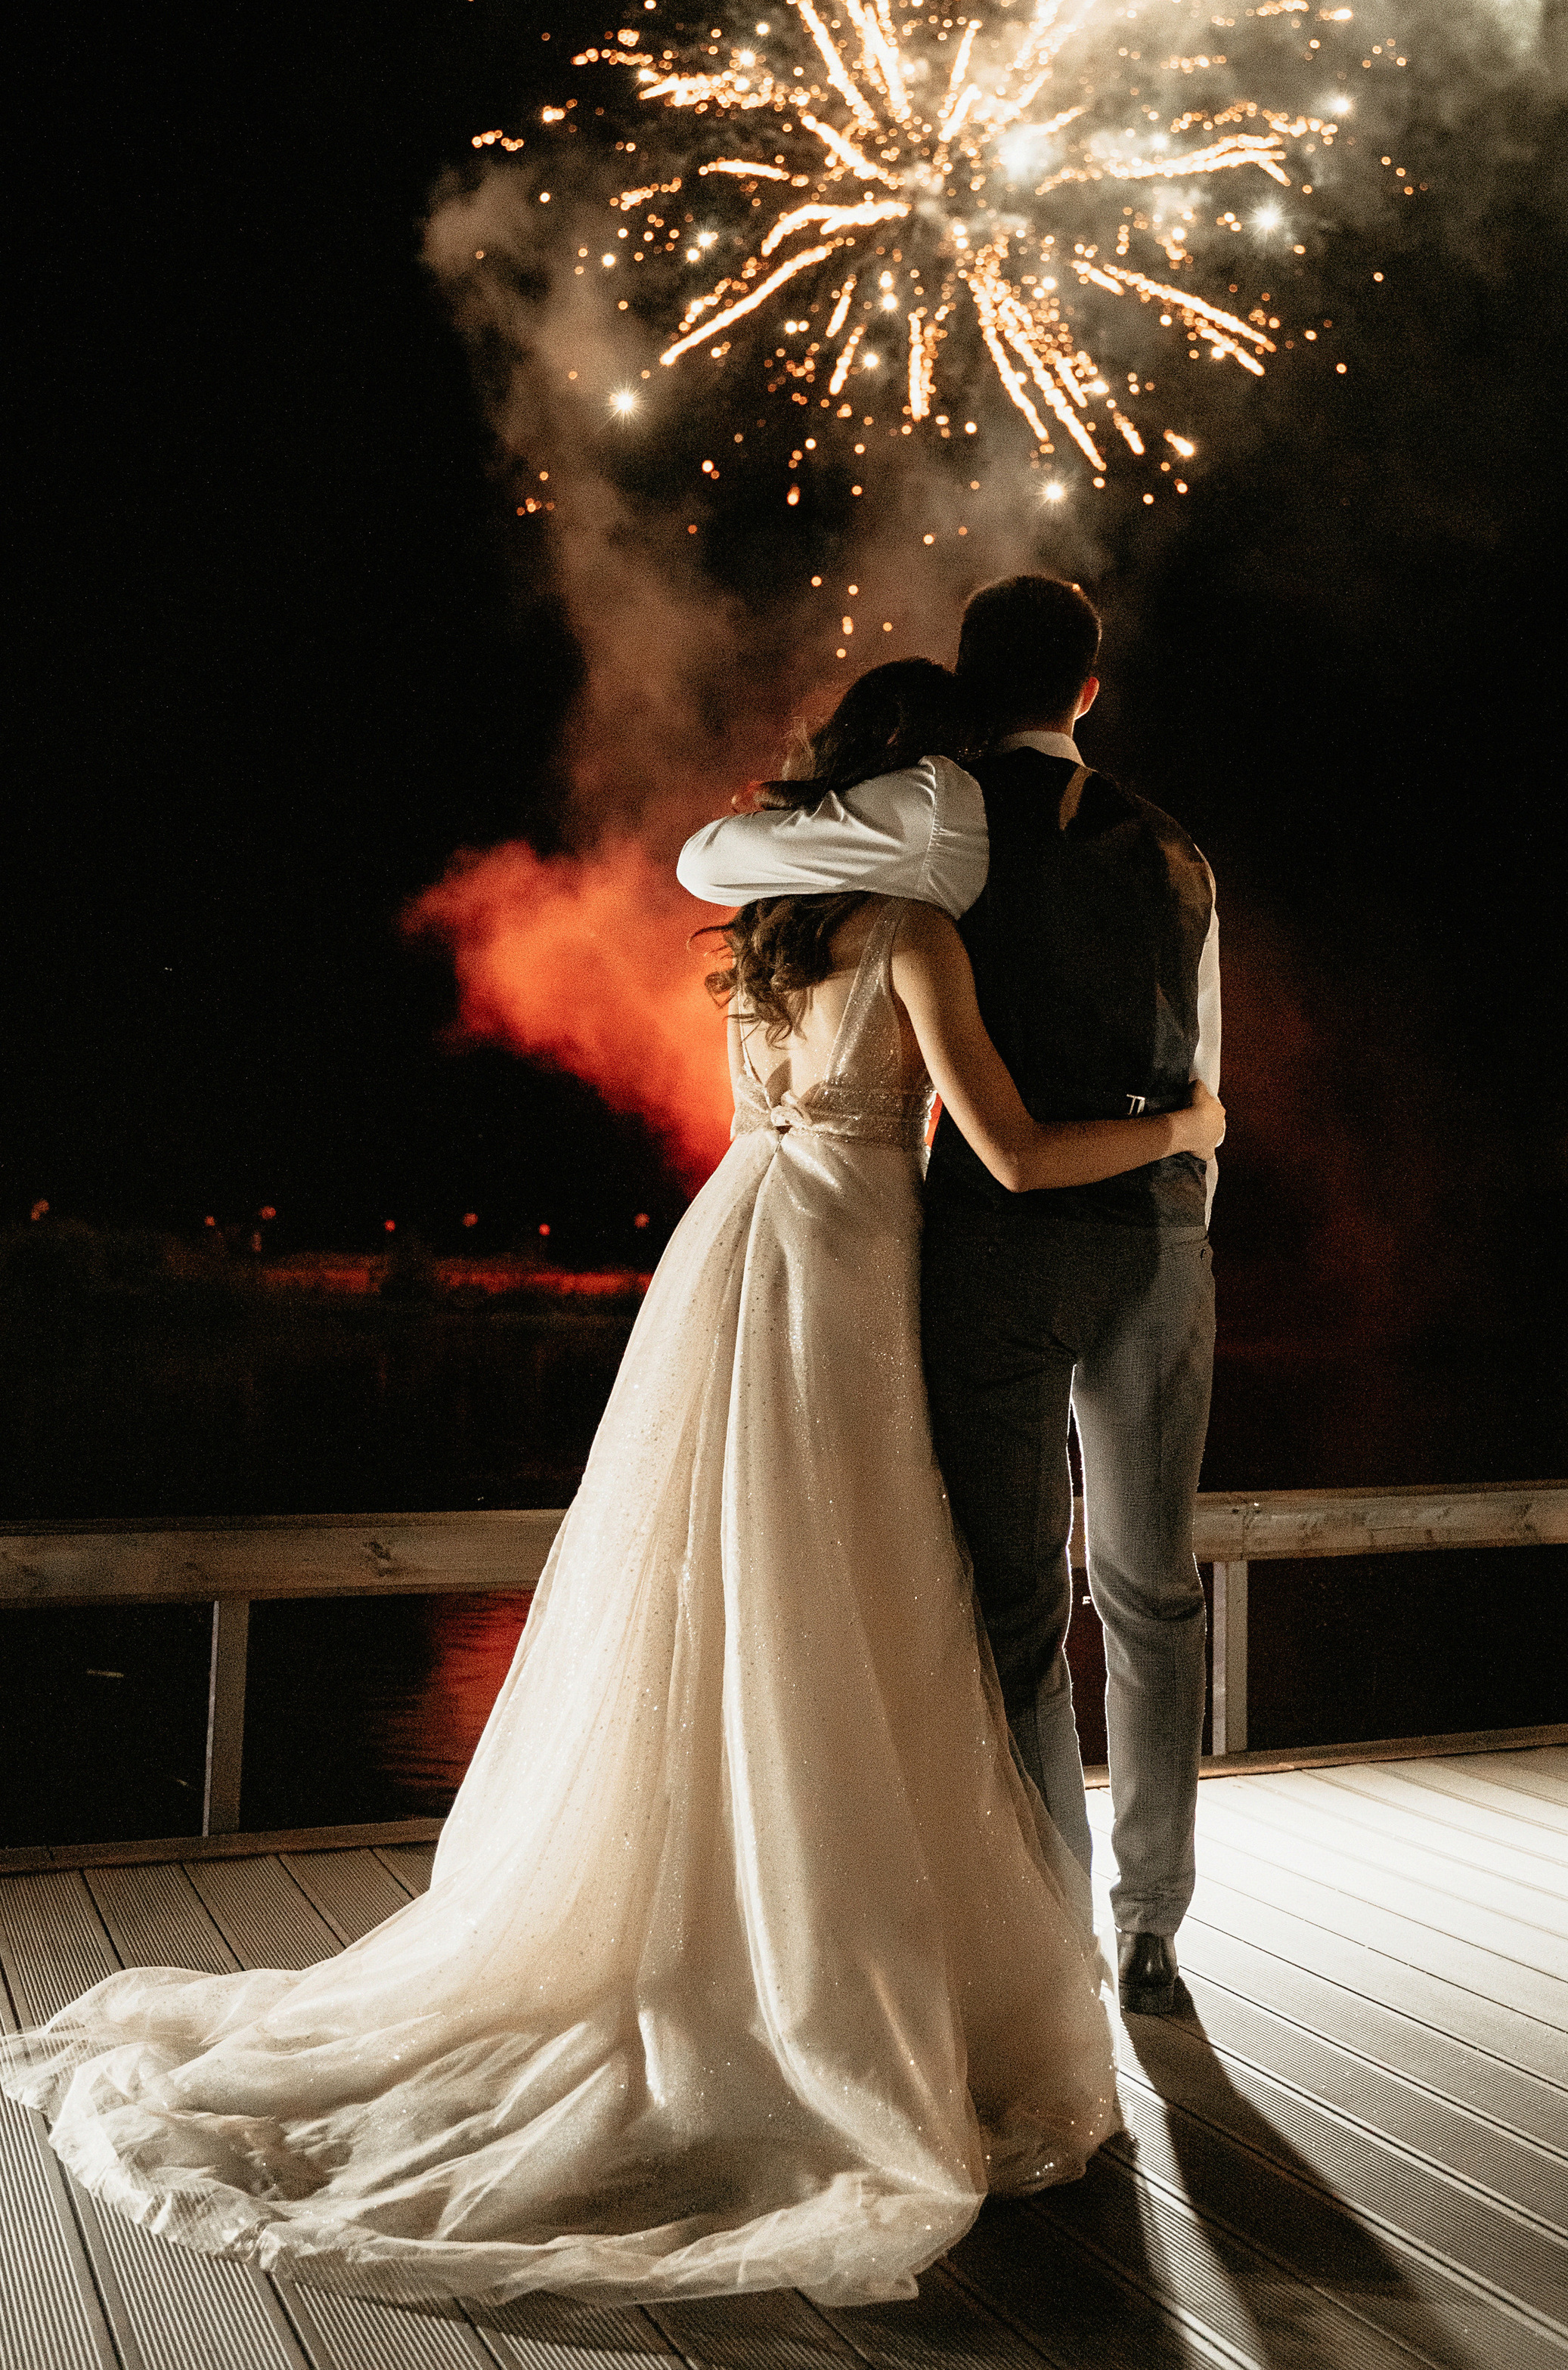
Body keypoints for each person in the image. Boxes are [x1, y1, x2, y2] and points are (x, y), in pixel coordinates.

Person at [2, 657, 1220, 2314]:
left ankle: (702, 1900)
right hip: (854, 1271)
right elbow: (1002, 1154)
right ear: (916, 795)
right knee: (860, 1589)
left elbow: (760, 976)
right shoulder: (919, 937)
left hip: (735, 1257)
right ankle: (828, 1942)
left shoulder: (760, 943)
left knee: (721, 1577)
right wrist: (1182, 1125)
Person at [679, 576, 1220, 2018]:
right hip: (1159, 1240)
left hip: (1005, 1238)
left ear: (981, 688)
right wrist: (1182, 1201)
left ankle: (1049, 1912)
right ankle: (1153, 1920)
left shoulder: (942, 819)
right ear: (1092, 691)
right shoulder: (1181, 855)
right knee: (1153, 1591)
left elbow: (711, 860)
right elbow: (1198, 1059)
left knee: (1017, 1601)